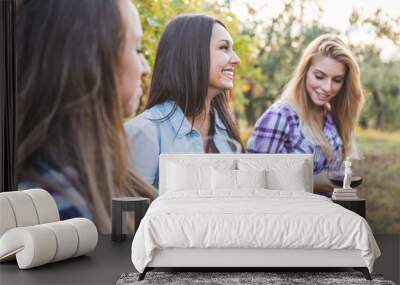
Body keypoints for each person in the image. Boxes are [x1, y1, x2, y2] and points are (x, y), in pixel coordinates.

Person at [17, 0, 157, 233]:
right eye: (137, 48)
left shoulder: (94, 173)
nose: (145, 68)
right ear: (90, 59)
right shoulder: (58, 211)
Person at [125, 14, 244, 188]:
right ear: (192, 53)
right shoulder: (144, 132)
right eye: (224, 48)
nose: (236, 59)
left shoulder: (226, 128)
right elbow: (129, 213)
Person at [247, 34, 364, 193]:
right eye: (319, 76)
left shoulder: (330, 117)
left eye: (337, 80)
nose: (328, 87)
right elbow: (252, 181)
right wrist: (312, 182)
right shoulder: (280, 116)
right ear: (305, 72)